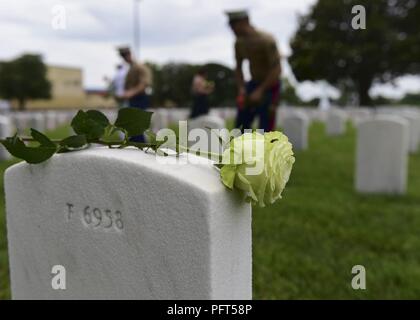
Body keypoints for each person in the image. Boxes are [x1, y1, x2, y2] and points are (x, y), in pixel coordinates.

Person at [226, 10, 282, 132]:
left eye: (235, 25)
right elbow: (238, 67)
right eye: (230, 26)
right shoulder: (239, 43)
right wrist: (241, 88)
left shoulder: (266, 40)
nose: (232, 29)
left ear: (245, 22)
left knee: (266, 127)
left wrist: (260, 91)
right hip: (252, 84)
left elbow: (276, 69)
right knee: (240, 126)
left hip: (270, 86)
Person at [117, 46, 153, 141]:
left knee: (138, 126)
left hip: (139, 99)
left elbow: (144, 83)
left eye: (125, 55)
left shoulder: (139, 67)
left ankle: (140, 147)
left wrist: (130, 93)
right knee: (133, 126)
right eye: (123, 56)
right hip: (133, 100)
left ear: (130, 54)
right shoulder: (131, 68)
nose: (124, 58)